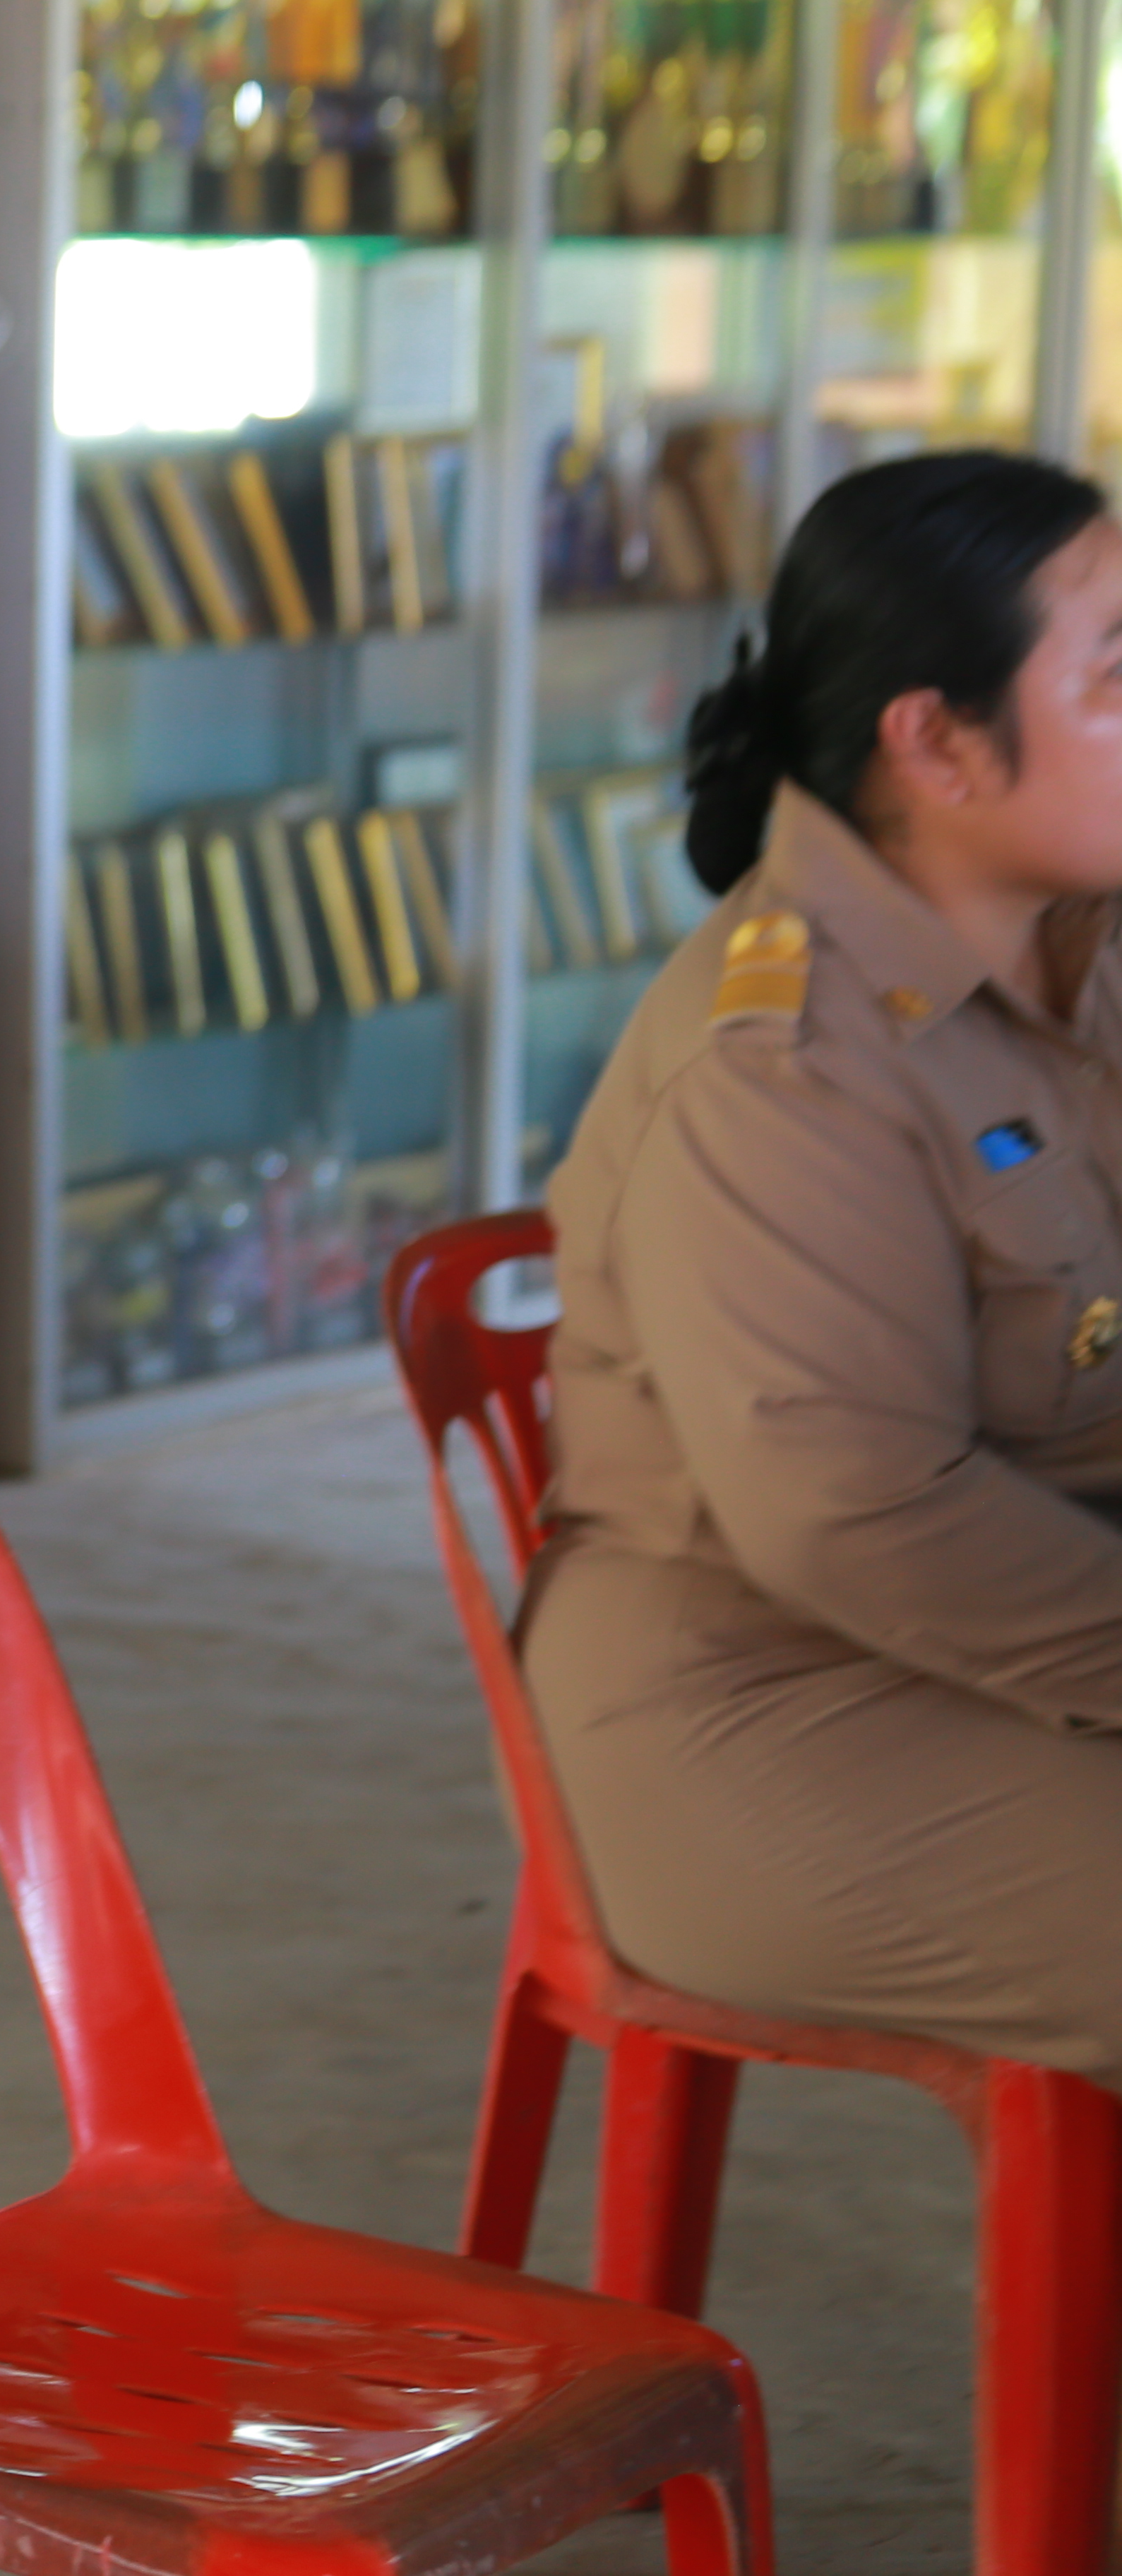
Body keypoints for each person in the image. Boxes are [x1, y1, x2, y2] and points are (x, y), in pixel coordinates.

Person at [530, 448, 1122, 2077]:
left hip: (1027, 1622)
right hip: (768, 1711)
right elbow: (863, 1517)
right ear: (933, 739)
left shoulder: (1074, 951)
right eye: (1115, 673)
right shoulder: (784, 1060)